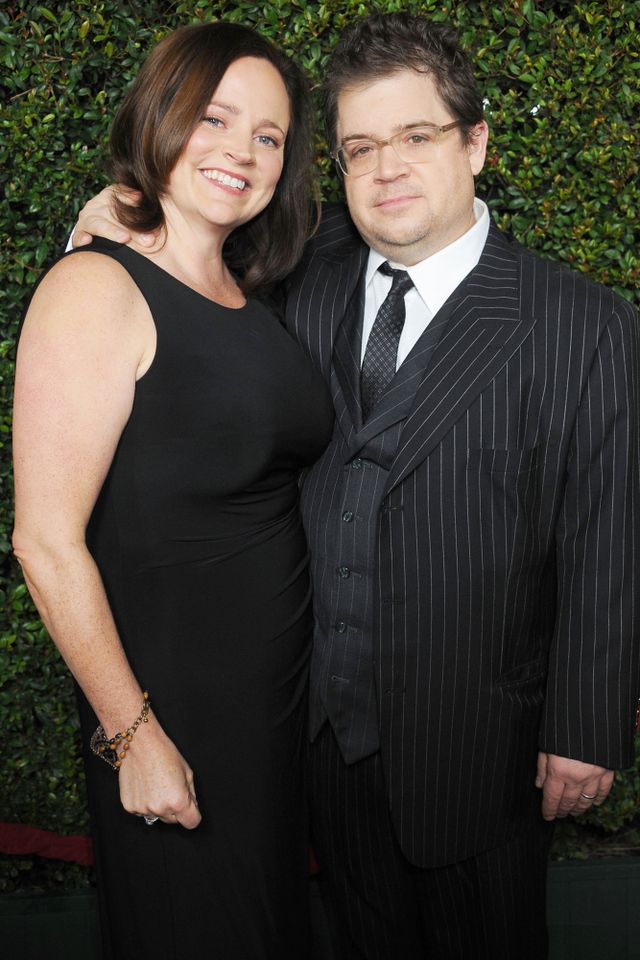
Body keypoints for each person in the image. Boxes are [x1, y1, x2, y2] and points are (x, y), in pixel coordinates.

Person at [70, 11, 640, 960]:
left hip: (477, 752)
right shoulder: (301, 269)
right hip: (314, 743)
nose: (388, 170)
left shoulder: (585, 325)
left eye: (417, 137)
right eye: (359, 148)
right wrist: (119, 206)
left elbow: (609, 540)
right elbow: (185, 258)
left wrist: (586, 728)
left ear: (477, 142)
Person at [12, 21, 333, 960]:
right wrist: (133, 734)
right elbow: (45, 541)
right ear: (163, 119)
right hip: (172, 712)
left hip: (270, 717)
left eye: (267, 136)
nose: (240, 150)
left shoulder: (251, 296)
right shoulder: (95, 288)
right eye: (214, 118)